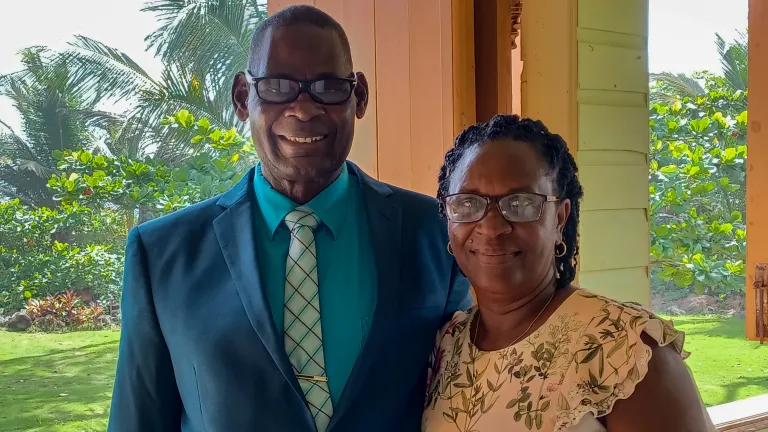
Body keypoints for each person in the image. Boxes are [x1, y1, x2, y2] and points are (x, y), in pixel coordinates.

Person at [107, 5, 471, 432]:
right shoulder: (162, 254)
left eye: (329, 86)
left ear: (360, 97)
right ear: (244, 98)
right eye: (277, 86)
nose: (303, 109)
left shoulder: (434, 234)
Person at [422, 115, 716, 432]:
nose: (492, 227)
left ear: (560, 219)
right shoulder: (448, 346)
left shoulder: (624, 347)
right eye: (468, 203)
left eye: (520, 203)